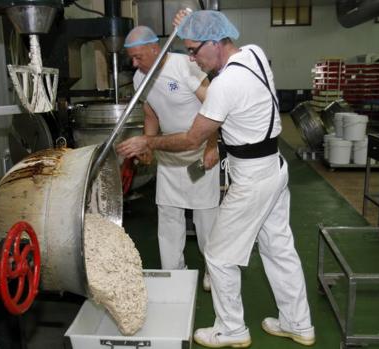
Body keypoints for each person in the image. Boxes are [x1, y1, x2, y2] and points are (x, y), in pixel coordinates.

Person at [117, 11, 315, 349]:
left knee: (220, 255)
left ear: (215, 42)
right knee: (278, 247)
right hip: (274, 167)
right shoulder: (252, 53)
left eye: (194, 49)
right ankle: (299, 324)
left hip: (252, 177)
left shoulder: (224, 85)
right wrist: (194, 19)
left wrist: (148, 142)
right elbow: (211, 30)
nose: (191, 58)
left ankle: (232, 330)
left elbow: (192, 139)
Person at [124, 26, 220, 291]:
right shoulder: (139, 78)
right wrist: (148, 146)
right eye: (131, 58)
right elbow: (151, 113)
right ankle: (173, 272)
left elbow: (213, 106)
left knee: (205, 217)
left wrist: (212, 145)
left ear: (156, 49)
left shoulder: (185, 67)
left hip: (199, 155)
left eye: (138, 56)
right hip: (169, 155)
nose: (134, 63)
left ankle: (214, 271)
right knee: (168, 217)